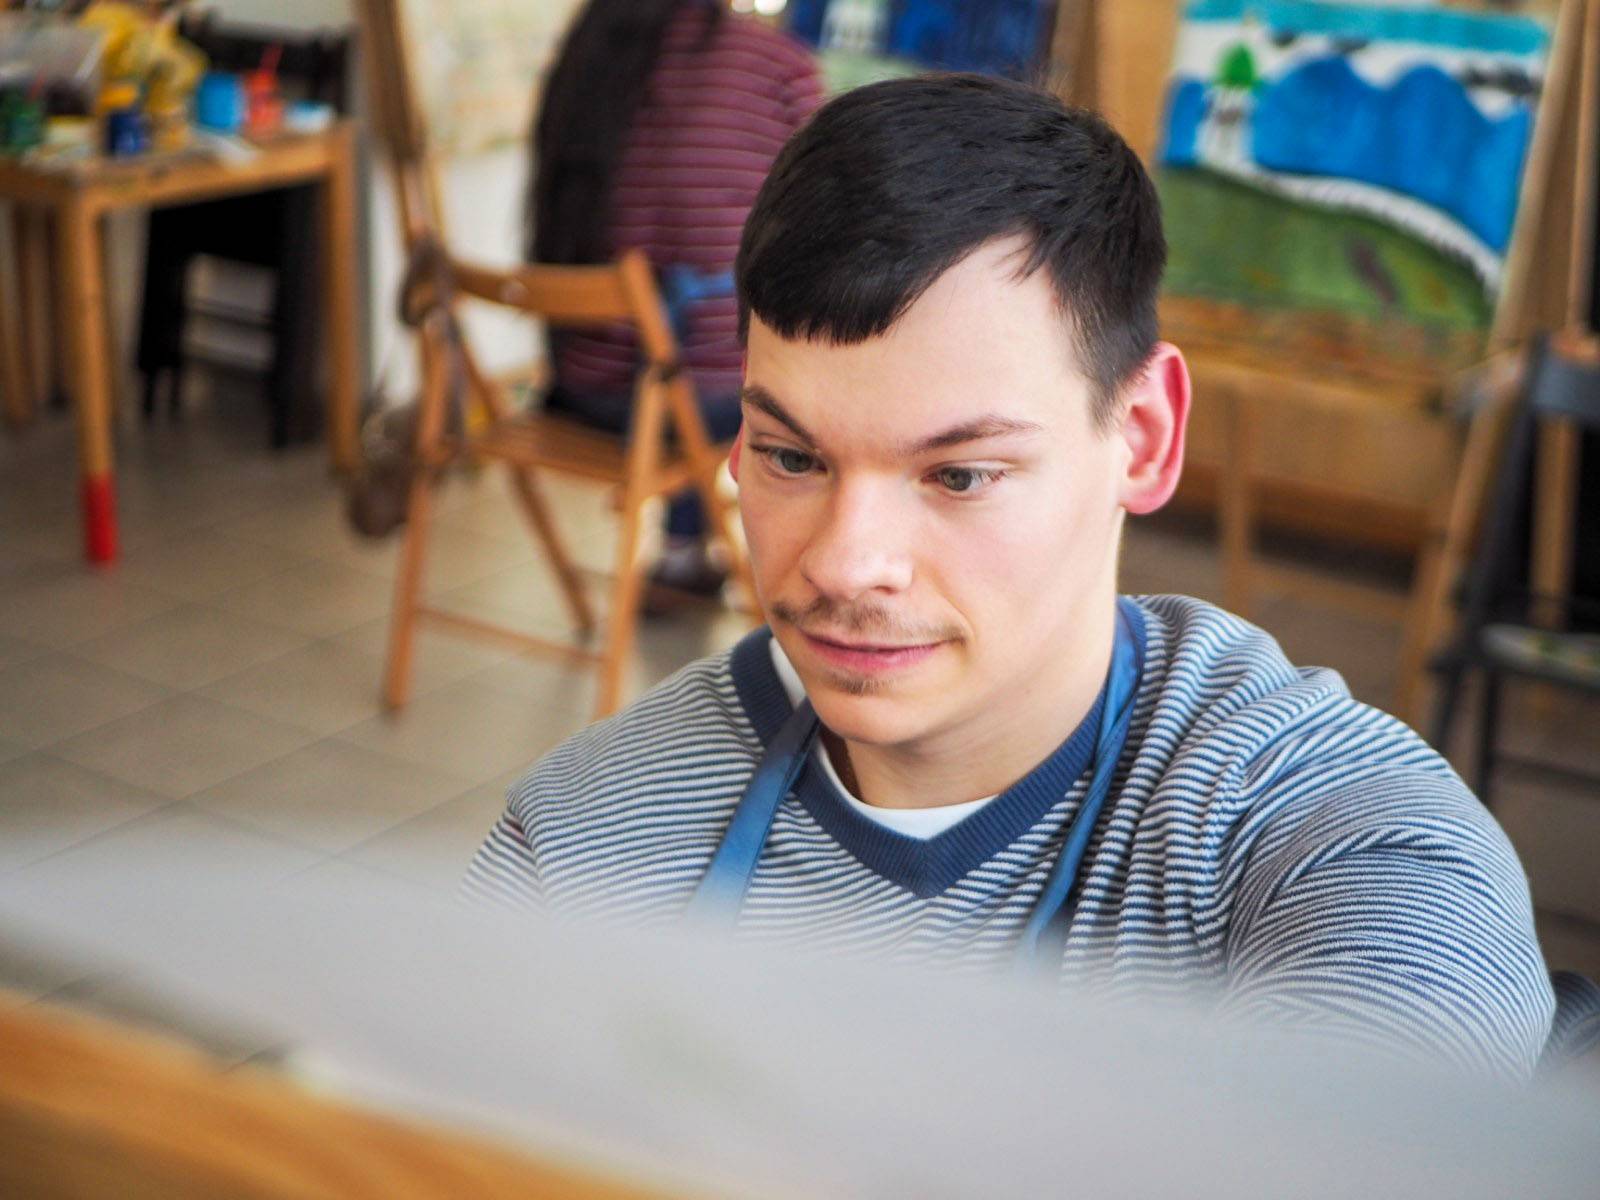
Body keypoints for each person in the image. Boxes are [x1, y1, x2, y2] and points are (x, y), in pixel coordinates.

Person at [474, 74, 1560, 1079]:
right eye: (792, 457)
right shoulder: (584, 839)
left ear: (1142, 437)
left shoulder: (1332, 842)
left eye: (959, 474)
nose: (845, 563)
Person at [529, 0, 822, 600]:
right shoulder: (777, 64)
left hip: (581, 389)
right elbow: (827, 226)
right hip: (698, 400)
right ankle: (714, 556)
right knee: (752, 347)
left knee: (683, 338)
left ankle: (684, 551)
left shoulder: (587, 56)